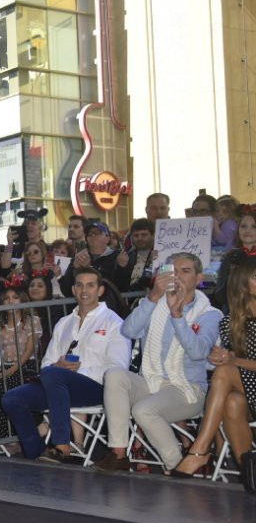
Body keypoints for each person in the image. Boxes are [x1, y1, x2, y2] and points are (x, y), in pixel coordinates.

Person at [95, 253, 221, 473]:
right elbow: (128, 330)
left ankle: (178, 465)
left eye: (185, 271)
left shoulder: (210, 314)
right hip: (152, 382)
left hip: (187, 389)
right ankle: (118, 453)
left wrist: (178, 315)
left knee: (144, 410)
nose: (178, 276)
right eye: (173, 271)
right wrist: (153, 297)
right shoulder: (154, 305)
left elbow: (199, 352)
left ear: (199, 277)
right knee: (114, 374)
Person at [1, 267, 131, 461]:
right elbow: (46, 364)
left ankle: (61, 446)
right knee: (12, 398)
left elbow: (119, 368)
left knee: (54, 375)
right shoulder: (63, 322)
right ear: (73, 290)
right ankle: (36, 450)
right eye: (79, 285)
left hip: (97, 387)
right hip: (57, 385)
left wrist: (81, 370)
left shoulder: (115, 323)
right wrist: (57, 366)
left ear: (100, 290)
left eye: (90, 285)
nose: (84, 290)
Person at [172, 254, 256, 481]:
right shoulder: (230, 322)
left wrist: (232, 361)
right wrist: (220, 355)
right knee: (232, 402)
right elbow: (229, 362)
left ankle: (200, 448)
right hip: (248, 394)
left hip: (247, 386)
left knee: (226, 371)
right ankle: (250, 473)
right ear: (242, 283)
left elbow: (234, 365)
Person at [0, 287, 42, 438]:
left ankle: (16, 437)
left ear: (22, 300)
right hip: (4, 367)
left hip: (27, 366)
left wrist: (11, 370)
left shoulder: (32, 321)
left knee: (7, 385)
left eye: (15, 297)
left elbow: (29, 351)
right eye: (7, 298)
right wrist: (1, 372)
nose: (10, 301)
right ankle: (1, 437)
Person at [215, 205, 256, 312]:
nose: (248, 230)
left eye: (254, 226)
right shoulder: (230, 257)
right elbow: (219, 295)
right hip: (234, 313)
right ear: (238, 230)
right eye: (243, 226)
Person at [59, 221, 117, 294]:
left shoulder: (116, 257)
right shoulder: (79, 256)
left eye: (97, 233)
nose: (92, 235)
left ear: (107, 238)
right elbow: (67, 290)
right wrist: (74, 268)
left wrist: (89, 268)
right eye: (89, 234)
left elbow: (115, 285)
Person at [113, 218, 156, 292]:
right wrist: (121, 268)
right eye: (136, 235)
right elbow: (119, 286)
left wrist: (151, 265)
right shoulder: (126, 256)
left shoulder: (160, 255)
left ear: (152, 235)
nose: (140, 238)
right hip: (130, 301)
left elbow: (147, 284)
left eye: (144, 235)